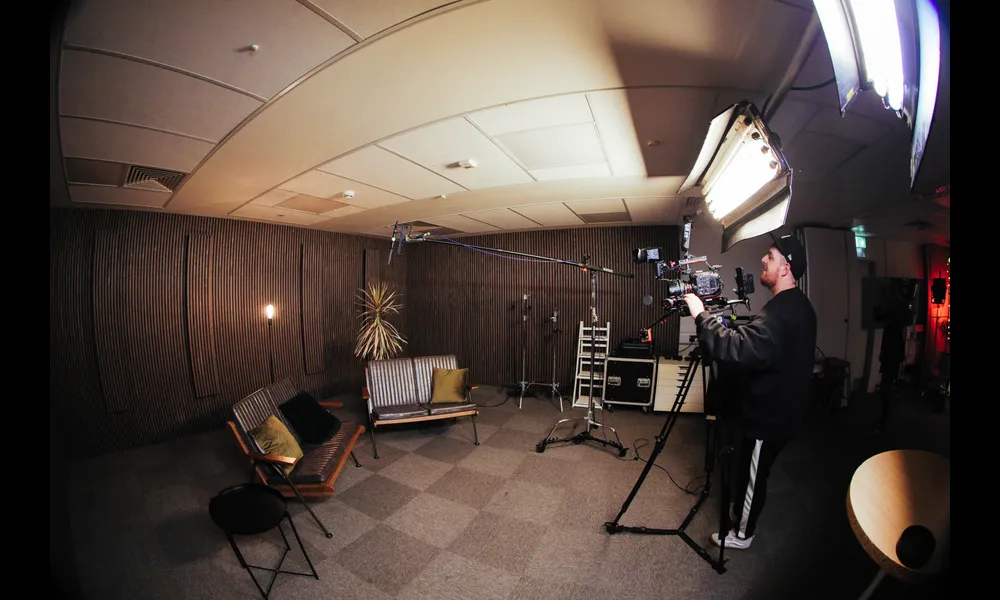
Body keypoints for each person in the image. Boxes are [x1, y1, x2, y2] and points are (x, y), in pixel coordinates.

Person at [682, 232, 817, 550]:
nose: (763, 260)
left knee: (754, 474)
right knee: (749, 469)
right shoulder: (796, 306)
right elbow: (764, 346)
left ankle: (742, 534)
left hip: (770, 418)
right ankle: (740, 510)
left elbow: (740, 349)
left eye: (770, 257)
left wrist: (701, 315)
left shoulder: (784, 311)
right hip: (779, 410)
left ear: (785, 268)